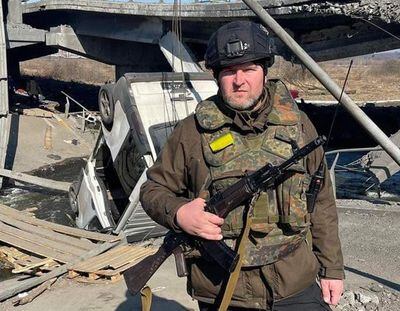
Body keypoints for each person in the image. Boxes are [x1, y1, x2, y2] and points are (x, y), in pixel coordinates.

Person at [140, 20, 344, 310]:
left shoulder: (297, 124)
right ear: (216, 76)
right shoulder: (192, 132)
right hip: (222, 289)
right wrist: (180, 214)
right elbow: (152, 189)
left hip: (294, 284)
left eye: (249, 69)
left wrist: (331, 269)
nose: (240, 80)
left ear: (264, 71)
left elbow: (321, 199)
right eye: (229, 71)